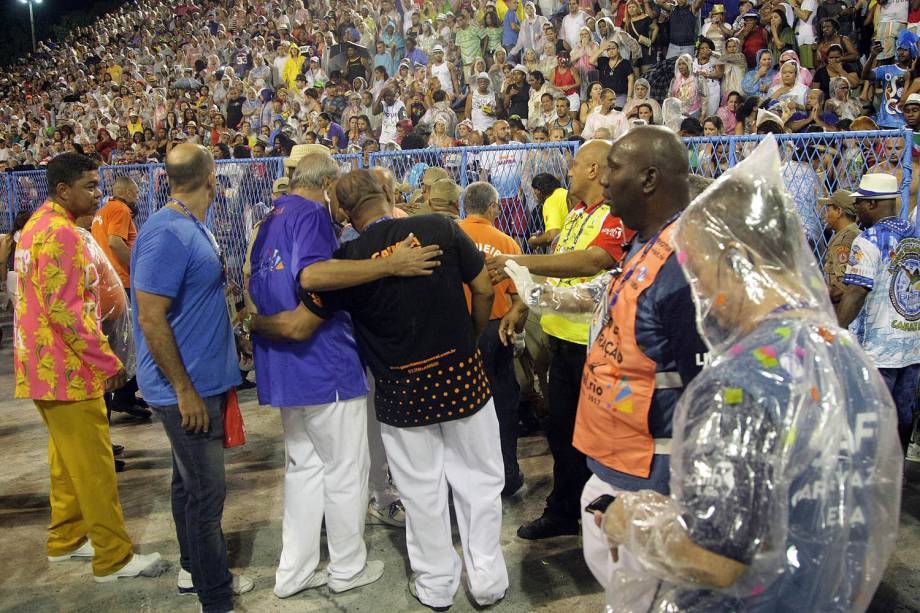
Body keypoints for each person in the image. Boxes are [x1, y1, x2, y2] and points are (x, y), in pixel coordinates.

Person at [596, 134, 902, 613]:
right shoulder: (846, 355)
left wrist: (628, 520)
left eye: (699, 271)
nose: (697, 292)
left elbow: (719, 559)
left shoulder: (735, 384)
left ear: (736, 261)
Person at [249, 169, 508, 612]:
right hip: (463, 379)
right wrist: (469, 338)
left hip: (400, 392)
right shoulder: (439, 227)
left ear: (344, 213)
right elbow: (483, 288)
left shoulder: (349, 261)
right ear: (389, 193)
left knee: (421, 493)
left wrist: (252, 322)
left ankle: (435, 586)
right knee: (480, 481)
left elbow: (299, 323)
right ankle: (487, 581)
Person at [244, 149, 441, 598]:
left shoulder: (270, 218)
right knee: (347, 470)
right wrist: (388, 265)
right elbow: (314, 275)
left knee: (303, 470)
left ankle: (293, 574)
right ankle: (347, 568)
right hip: (324, 364)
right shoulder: (313, 214)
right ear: (329, 186)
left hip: (284, 368)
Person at [13, 152, 162, 583]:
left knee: (65, 459)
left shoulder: (35, 226)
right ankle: (113, 556)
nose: (99, 194)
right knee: (95, 466)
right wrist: (106, 361)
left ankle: (66, 538)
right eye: (91, 186)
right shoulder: (61, 235)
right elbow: (69, 311)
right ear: (64, 190)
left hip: (42, 366)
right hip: (68, 369)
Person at [488, 140, 633, 540]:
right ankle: (566, 509)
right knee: (561, 429)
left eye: (575, 166)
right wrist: (522, 307)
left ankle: (596, 514)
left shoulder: (613, 215)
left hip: (595, 346)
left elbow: (594, 261)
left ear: (593, 170)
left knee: (593, 434)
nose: (568, 172)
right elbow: (559, 273)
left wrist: (519, 263)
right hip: (561, 340)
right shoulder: (576, 215)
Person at [132, 144, 253, 613]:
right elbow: (150, 317)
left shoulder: (189, 224)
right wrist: (184, 389)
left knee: (187, 485)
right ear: (211, 177)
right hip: (186, 389)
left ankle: (194, 572)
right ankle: (215, 597)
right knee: (206, 494)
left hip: (201, 381)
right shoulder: (167, 232)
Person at [837, 173, 920, 454]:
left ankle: (871, 476)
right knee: (903, 411)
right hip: (911, 344)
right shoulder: (914, 235)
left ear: (871, 205)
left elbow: (856, 291)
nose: (857, 208)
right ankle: (896, 473)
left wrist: (837, 328)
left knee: (871, 414)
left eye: (860, 203)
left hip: (877, 349)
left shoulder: (868, 240)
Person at [459, 182, 529, 496]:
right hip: (496, 329)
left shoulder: (451, 237)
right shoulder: (506, 243)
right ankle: (507, 475)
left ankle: (468, 479)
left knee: (463, 407)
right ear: (492, 208)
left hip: (457, 332)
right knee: (502, 402)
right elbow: (520, 296)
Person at [91, 177, 150, 420]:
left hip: (105, 284)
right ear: (126, 192)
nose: (137, 197)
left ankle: (123, 394)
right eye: (135, 192)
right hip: (122, 283)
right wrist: (137, 268)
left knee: (118, 341)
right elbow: (116, 243)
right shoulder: (121, 209)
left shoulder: (102, 212)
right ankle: (123, 395)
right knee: (131, 342)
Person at [819, 189, 860, 305]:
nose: (826, 215)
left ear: (839, 211)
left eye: (829, 210)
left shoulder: (843, 241)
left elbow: (843, 287)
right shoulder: (854, 233)